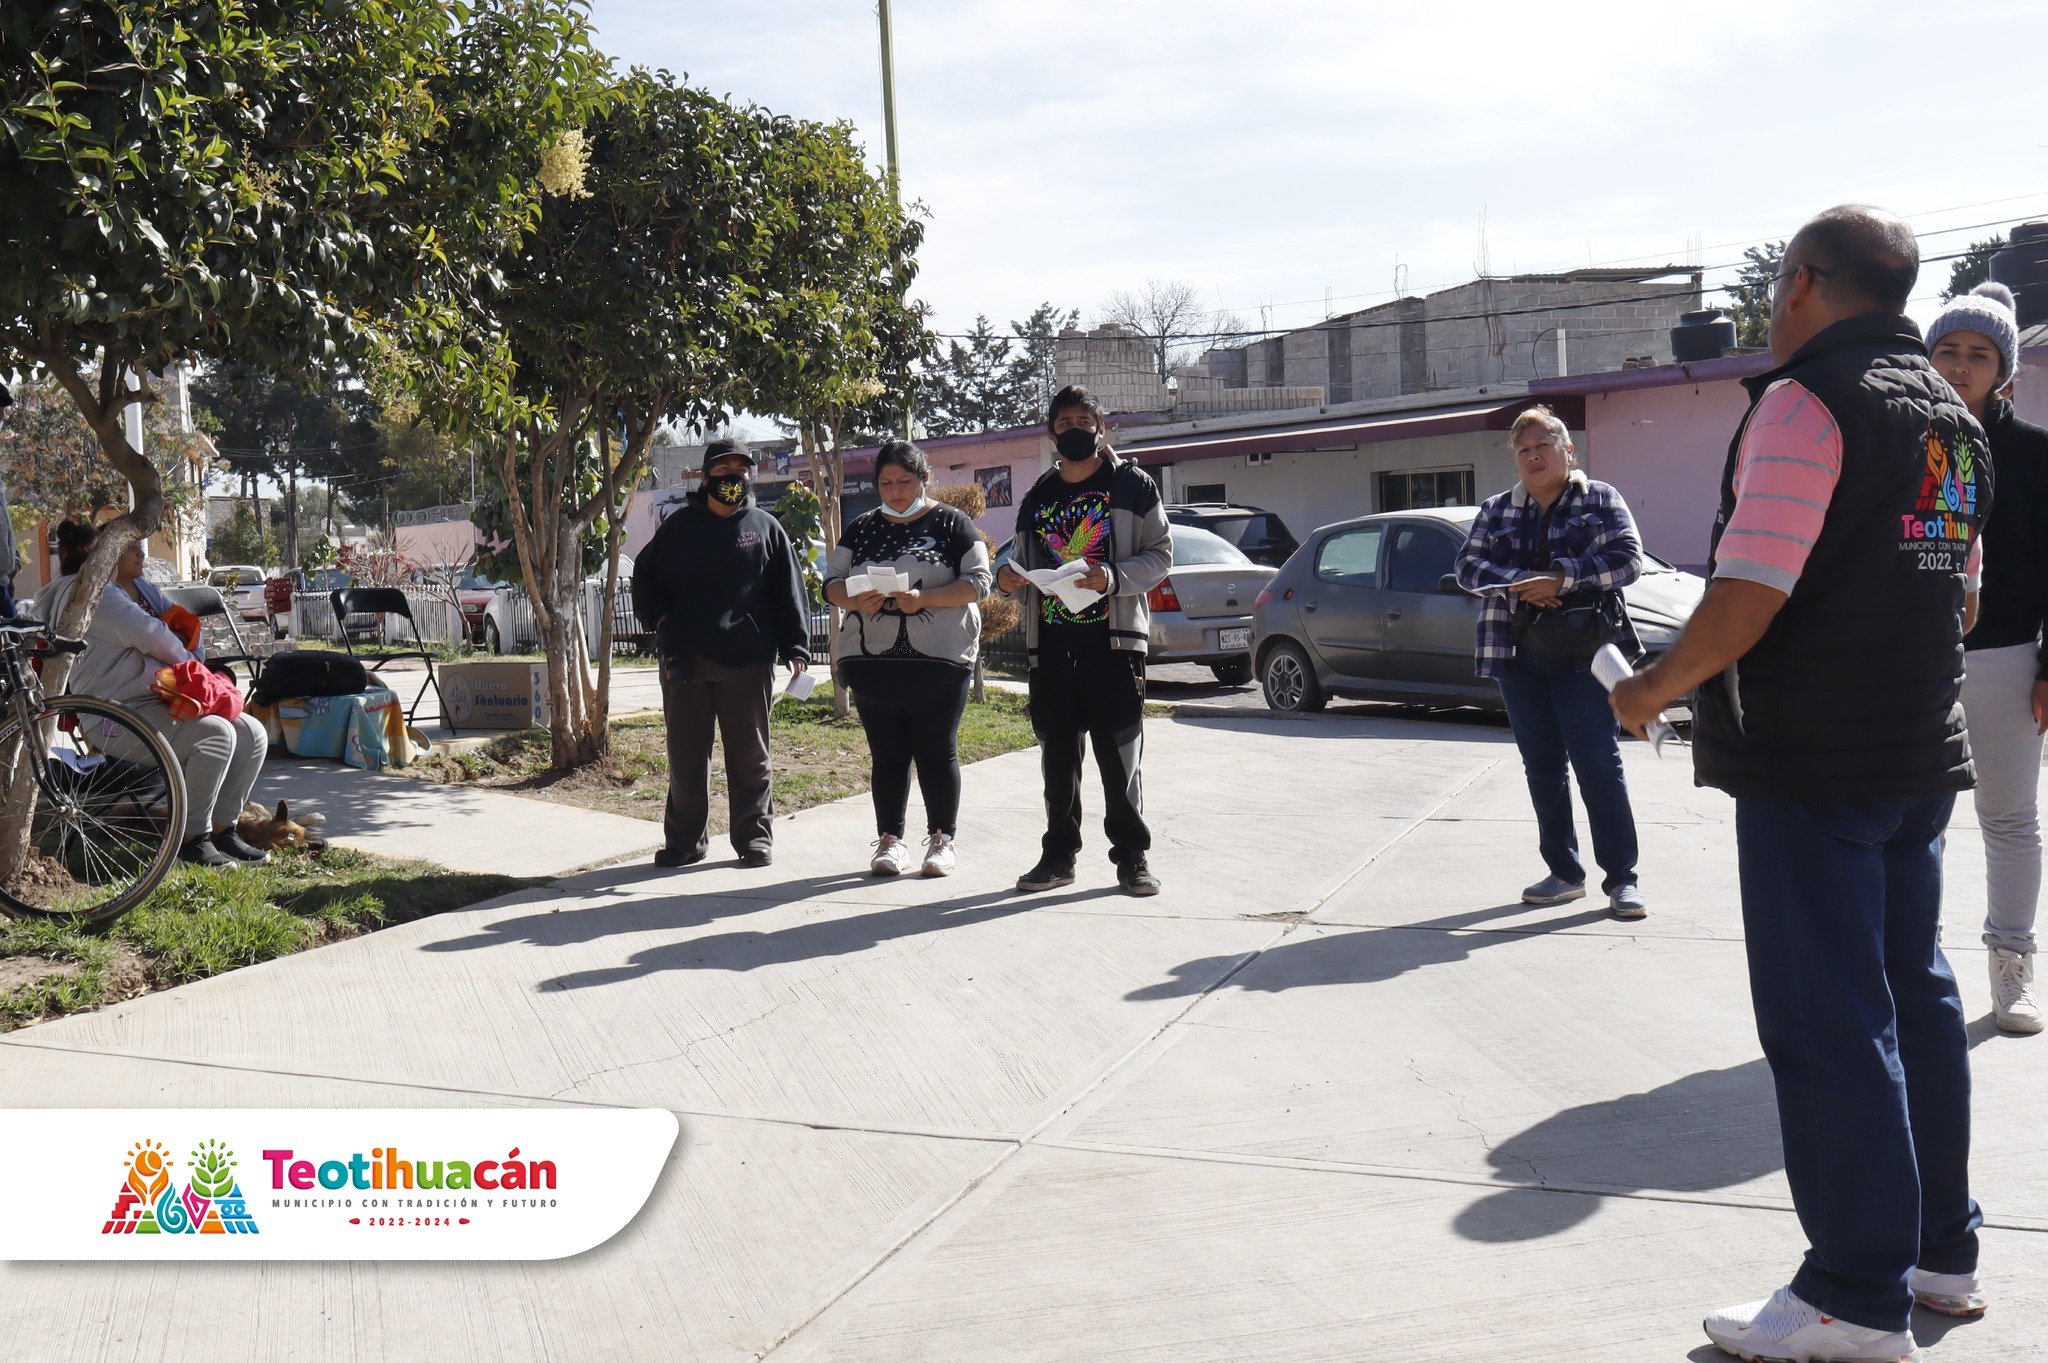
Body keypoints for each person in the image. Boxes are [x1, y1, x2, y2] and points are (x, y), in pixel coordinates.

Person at [1612, 205, 1988, 1360]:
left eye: (1776, 284)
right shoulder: (1952, 419)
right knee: (1911, 997)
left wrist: (1650, 687)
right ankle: (1939, 1253)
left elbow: (1746, 592)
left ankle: (1850, 1293)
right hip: (1914, 752)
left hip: (1811, 763)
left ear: (1803, 281)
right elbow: (1960, 597)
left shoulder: (1805, 401)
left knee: (1829, 1022)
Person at [1455, 406, 1647, 919]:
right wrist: (1523, 583)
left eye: (1543, 445)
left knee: (1598, 765)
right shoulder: (1497, 509)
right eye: (1523, 450)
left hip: (1585, 657)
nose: (1533, 456)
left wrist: (1563, 577)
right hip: (1517, 656)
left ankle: (1622, 881)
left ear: (1568, 451)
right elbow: (1467, 568)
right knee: (1542, 767)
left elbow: (1629, 559)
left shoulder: (1600, 498)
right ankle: (1564, 873)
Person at [995, 384, 1172, 896]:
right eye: (1064, 422)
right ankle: (1058, 858)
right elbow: (1020, 566)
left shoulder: (1132, 485)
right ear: (1051, 430)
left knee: (1120, 756)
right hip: (1049, 646)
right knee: (1057, 760)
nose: (1075, 430)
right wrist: (1009, 581)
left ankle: (1132, 859)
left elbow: (1161, 556)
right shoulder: (1037, 497)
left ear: (1100, 426)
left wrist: (1112, 576)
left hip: (1112, 645)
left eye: (1083, 420)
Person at [1933, 282, 2048, 1035]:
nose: (1962, 365)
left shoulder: (2036, 454)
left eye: (1979, 354)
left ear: (2003, 371)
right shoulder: (1896, 441)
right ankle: (1910, 970)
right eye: (1948, 350)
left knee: (2008, 818)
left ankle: (2013, 965)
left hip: (2007, 654)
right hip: (1908, 657)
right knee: (1914, 822)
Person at [36, 528, 271, 868]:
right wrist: (193, 666)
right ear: (104, 553)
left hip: (163, 699)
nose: (139, 553)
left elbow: (175, 628)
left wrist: (190, 664)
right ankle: (189, 841)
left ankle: (223, 830)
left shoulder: (132, 589)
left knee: (253, 733)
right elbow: (151, 634)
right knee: (215, 737)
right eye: (128, 545)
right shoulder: (91, 592)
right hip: (116, 715)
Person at [632, 438, 811, 869]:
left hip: (748, 661)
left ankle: (754, 838)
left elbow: (790, 591)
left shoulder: (766, 528)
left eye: (741, 470)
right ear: (706, 476)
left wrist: (797, 646)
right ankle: (685, 842)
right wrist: (660, 622)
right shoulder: (678, 527)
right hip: (685, 661)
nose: (733, 477)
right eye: (723, 469)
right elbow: (644, 575)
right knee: (686, 757)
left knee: (751, 757)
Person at [822, 441, 992, 877]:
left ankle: (942, 841)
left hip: (940, 660)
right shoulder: (860, 527)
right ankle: (889, 842)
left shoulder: (954, 524)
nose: (895, 491)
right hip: (871, 661)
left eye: (905, 481)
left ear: (924, 479)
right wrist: (857, 599)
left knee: (937, 751)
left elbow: (979, 583)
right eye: (886, 483)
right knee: (887, 754)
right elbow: (831, 585)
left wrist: (925, 599)